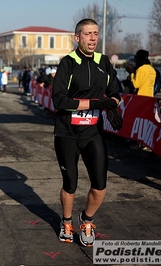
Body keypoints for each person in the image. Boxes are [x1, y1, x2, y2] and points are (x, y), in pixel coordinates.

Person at [52, 18, 123, 247]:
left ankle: (87, 219)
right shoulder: (68, 63)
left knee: (100, 185)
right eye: (87, 34)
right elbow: (60, 100)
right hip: (67, 133)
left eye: (95, 34)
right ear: (77, 37)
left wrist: (112, 103)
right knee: (70, 183)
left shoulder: (104, 62)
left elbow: (116, 92)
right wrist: (97, 104)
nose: (93, 38)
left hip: (93, 133)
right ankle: (66, 221)